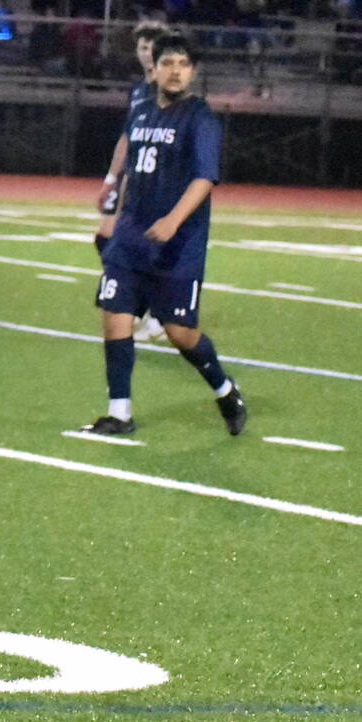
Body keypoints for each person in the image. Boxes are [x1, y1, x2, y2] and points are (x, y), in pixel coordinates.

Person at [80, 34, 246, 438]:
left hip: (178, 245)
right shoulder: (140, 114)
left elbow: (205, 178)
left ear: (193, 71)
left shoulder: (200, 118)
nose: (175, 71)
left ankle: (225, 390)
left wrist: (172, 220)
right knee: (115, 319)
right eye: (168, 62)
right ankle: (119, 413)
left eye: (183, 64)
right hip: (132, 238)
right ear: (154, 68)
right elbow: (134, 174)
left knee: (180, 333)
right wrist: (113, 217)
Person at [96, 22, 171, 342]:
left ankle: (159, 310)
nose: (145, 53)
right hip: (134, 178)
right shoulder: (139, 89)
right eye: (141, 47)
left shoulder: (170, 88)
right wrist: (112, 178)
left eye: (151, 47)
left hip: (160, 180)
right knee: (106, 237)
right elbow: (128, 136)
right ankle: (146, 303)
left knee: (149, 244)